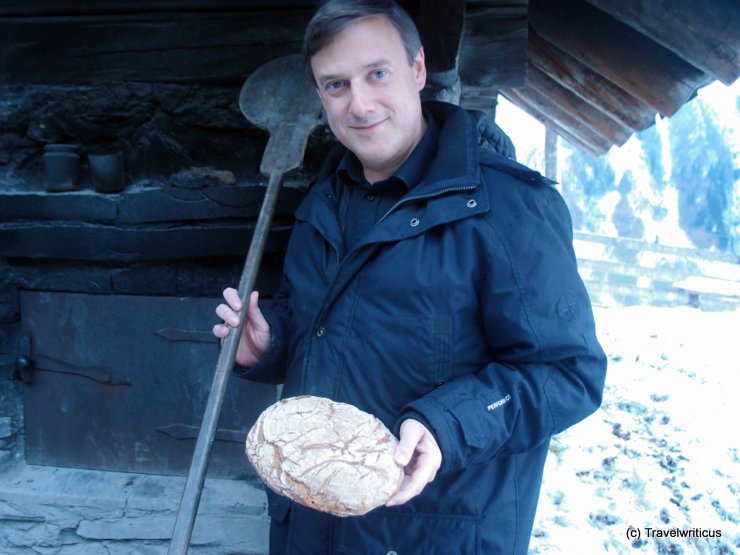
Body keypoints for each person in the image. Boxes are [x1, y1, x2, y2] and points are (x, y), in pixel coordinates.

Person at [213, 1, 607, 553]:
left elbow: (570, 373)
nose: (360, 103)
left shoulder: (509, 208)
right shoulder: (325, 199)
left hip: (430, 533)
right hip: (311, 527)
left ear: (417, 70)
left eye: (377, 74)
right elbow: (329, 327)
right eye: (336, 85)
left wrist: (447, 425)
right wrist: (272, 341)